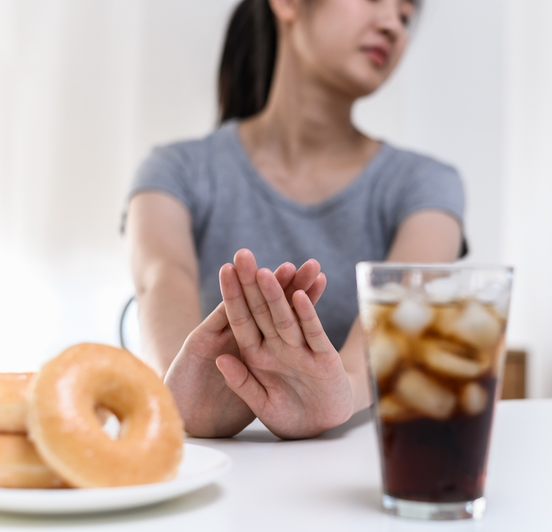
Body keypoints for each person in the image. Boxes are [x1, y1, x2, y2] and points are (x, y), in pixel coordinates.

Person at [124, 0, 465, 439]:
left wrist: (345, 387)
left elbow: (403, 301)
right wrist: (180, 396)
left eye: (404, 15)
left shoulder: (427, 183)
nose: (393, 26)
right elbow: (161, 277)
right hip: (225, 466)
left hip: (360, 467)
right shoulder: (173, 170)